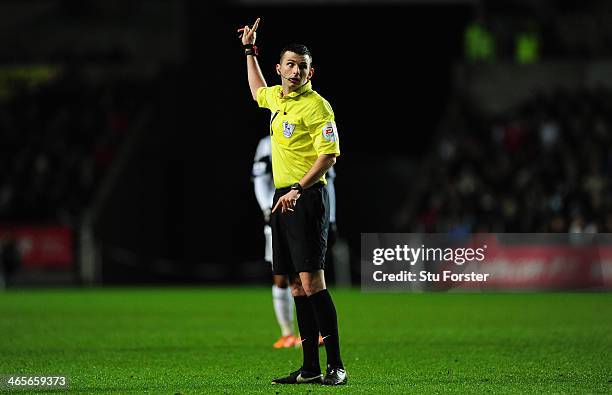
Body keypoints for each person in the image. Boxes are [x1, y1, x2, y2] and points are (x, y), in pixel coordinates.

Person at [239, 18, 347, 385]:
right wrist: (249, 51)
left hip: (306, 197)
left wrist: (299, 188)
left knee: (313, 283)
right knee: (297, 286)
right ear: (279, 69)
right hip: (282, 197)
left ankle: (336, 366)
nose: (296, 70)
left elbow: (329, 156)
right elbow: (257, 91)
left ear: (310, 70)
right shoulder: (278, 100)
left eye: (302, 65)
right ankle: (310, 367)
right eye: (290, 64)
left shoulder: (318, 107)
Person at [252, 135, 337, 349]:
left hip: (307, 211)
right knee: (282, 278)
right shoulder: (267, 143)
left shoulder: (312, 138)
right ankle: (287, 333)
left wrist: (332, 217)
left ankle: (309, 335)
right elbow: (260, 178)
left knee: (310, 278)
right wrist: (266, 208)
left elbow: (329, 177)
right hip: (278, 212)